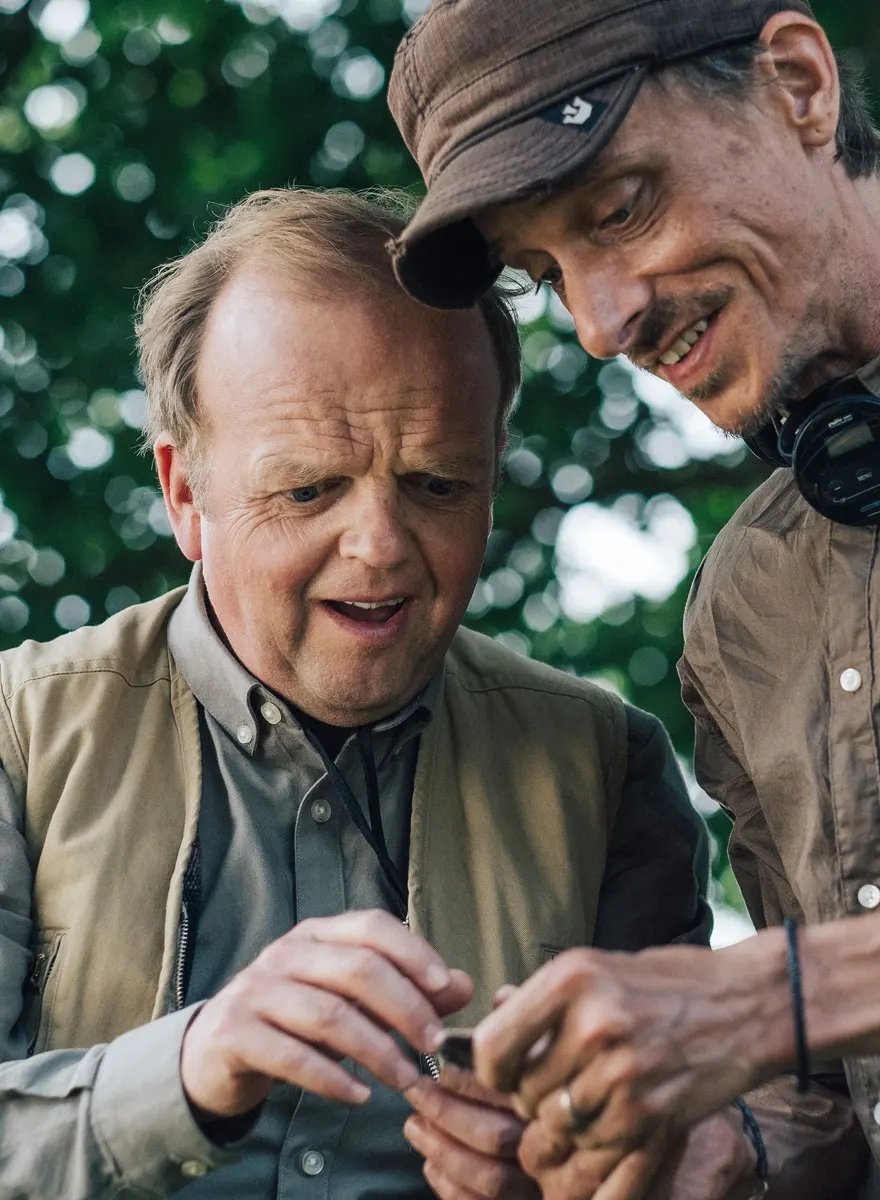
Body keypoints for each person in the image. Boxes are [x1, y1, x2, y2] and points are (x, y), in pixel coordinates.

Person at [385, 1, 880, 1197]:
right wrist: (705, 1152)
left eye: (620, 209)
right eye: (547, 274)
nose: (604, 323)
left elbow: (791, 1006)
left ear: (800, 86)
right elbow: (837, 1102)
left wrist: (776, 996)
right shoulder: (739, 608)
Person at [0, 186, 717, 1200]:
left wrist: (589, 1171)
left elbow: (703, 1146)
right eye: (308, 489)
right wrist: (195, 1066)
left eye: (436, 484)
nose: (379, 547)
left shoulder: (608, 767)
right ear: (184, 495)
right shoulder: (15, 734)